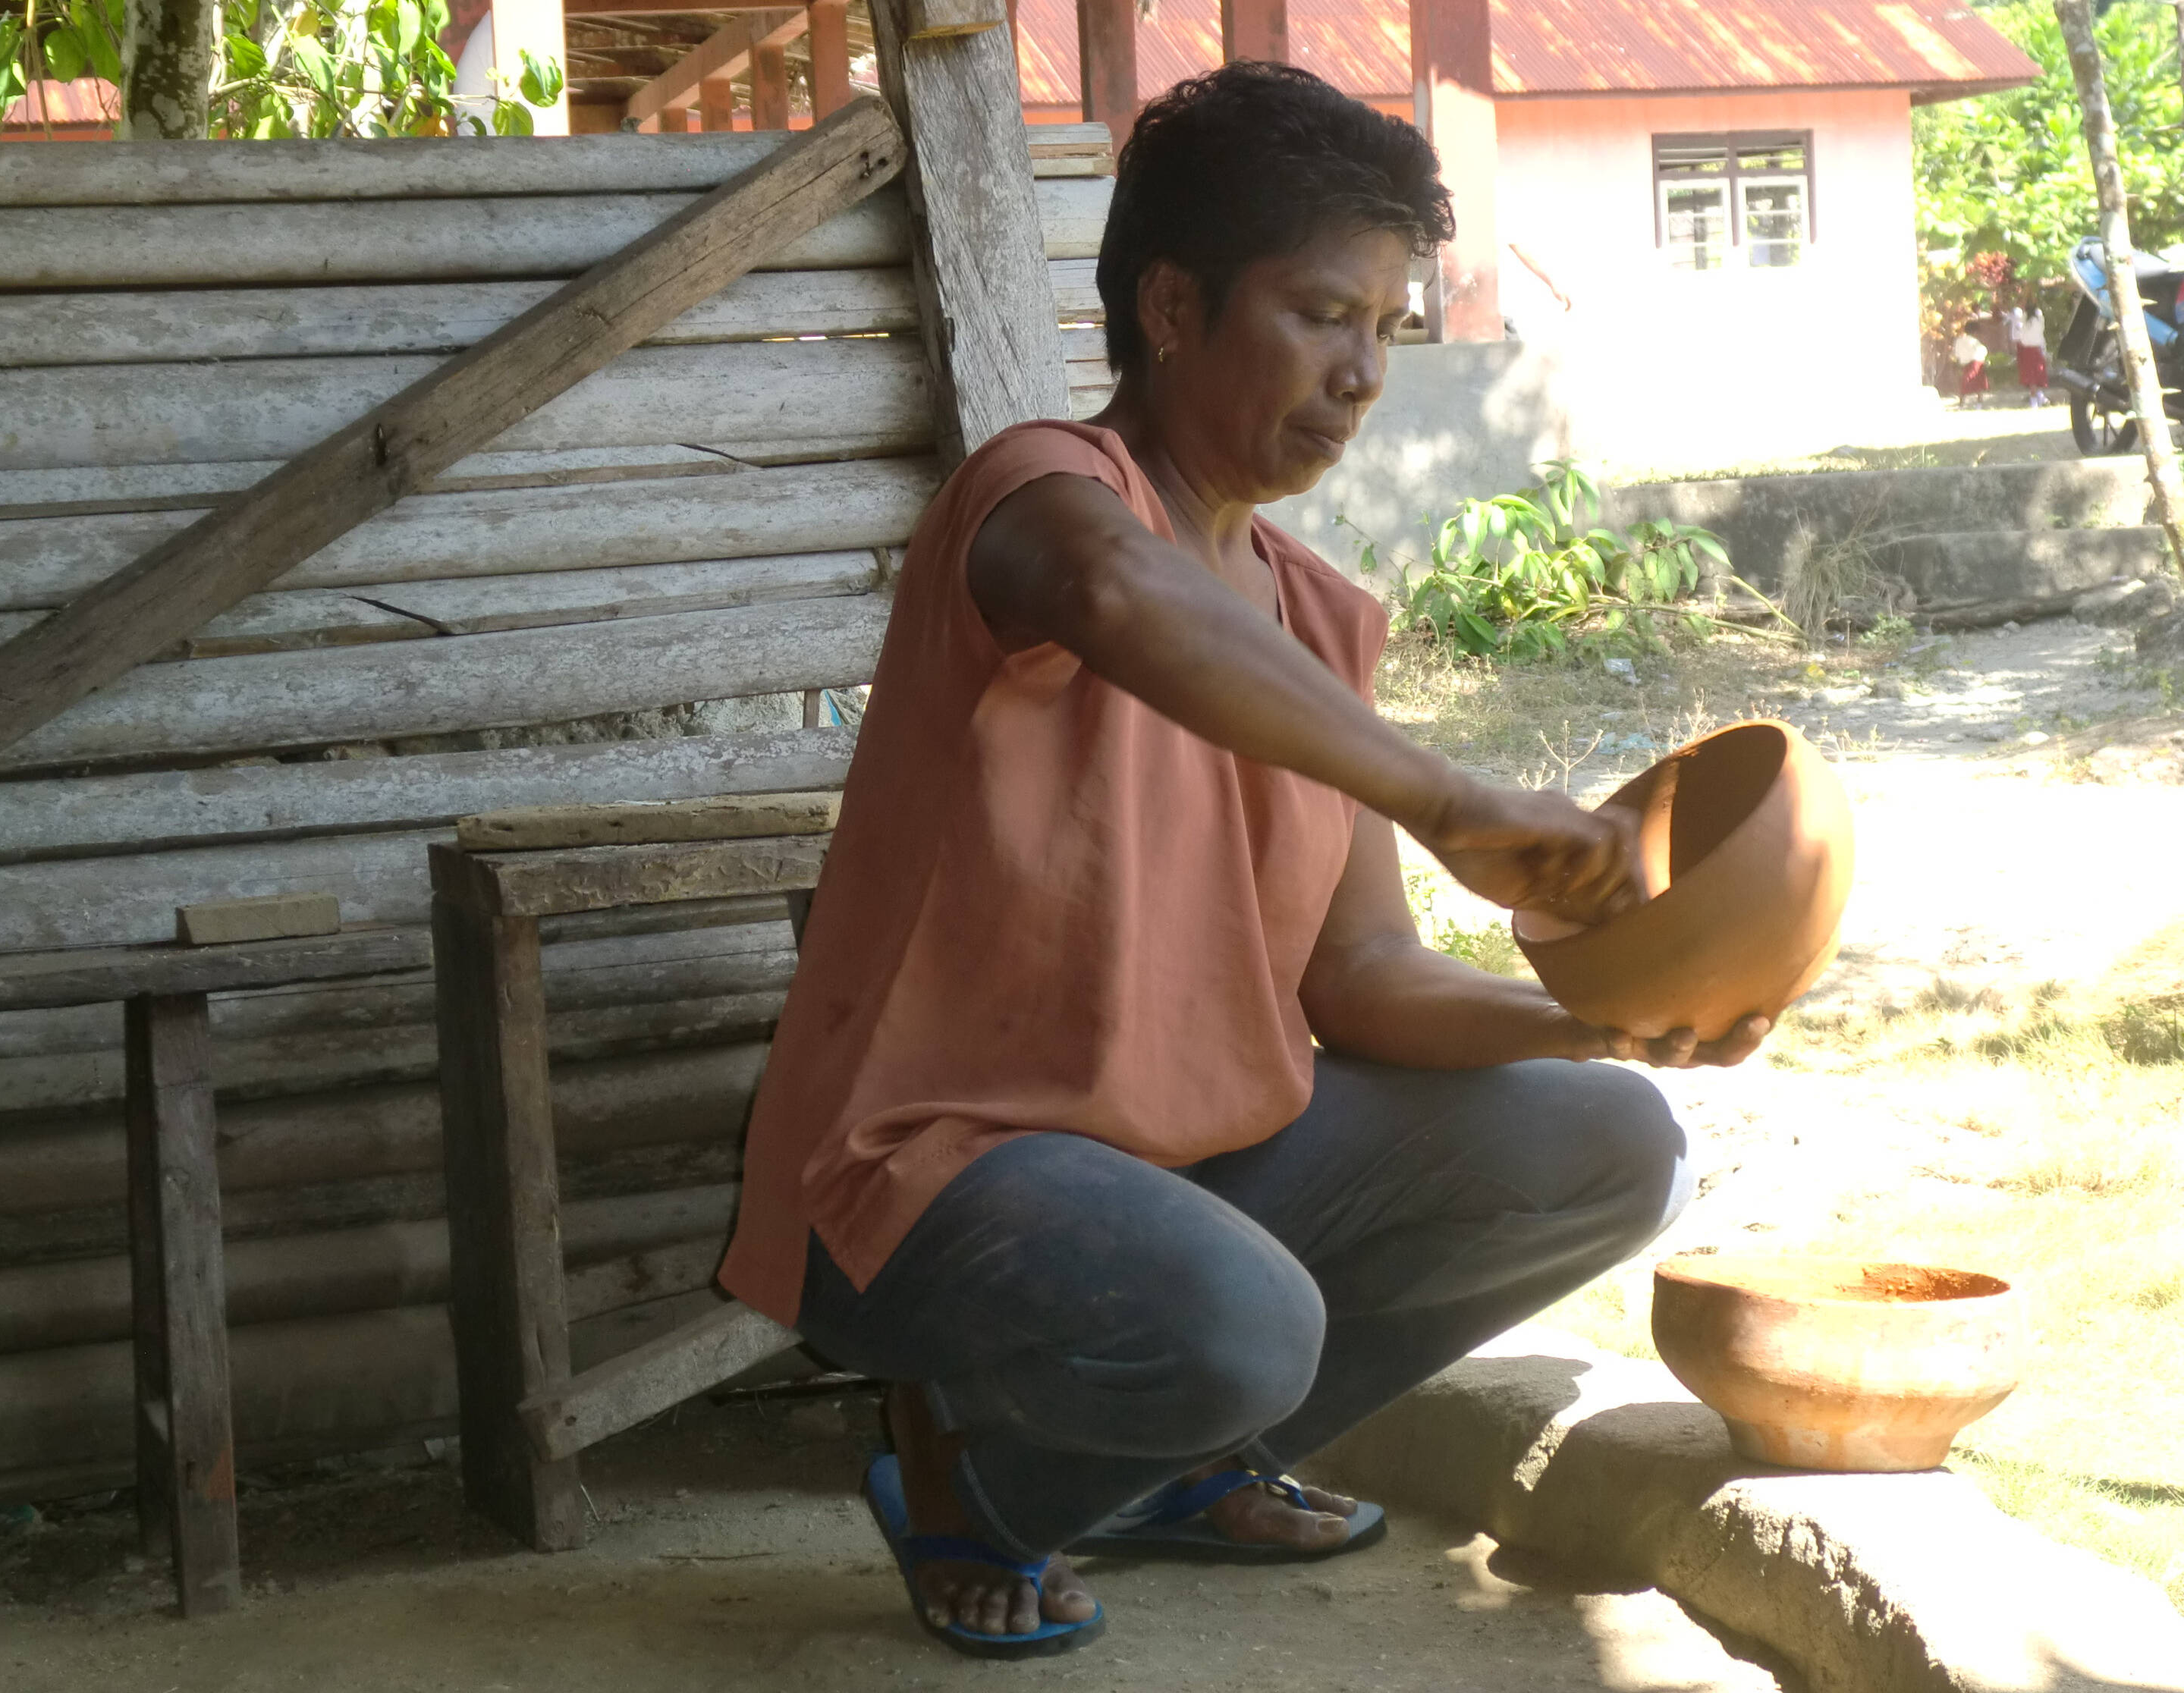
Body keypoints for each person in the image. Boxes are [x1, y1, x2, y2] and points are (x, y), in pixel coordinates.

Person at [715, 62, 1769, 1661]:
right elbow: (1125, 603)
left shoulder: (1319, 619)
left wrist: (1609, 1018)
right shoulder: (1038, 498)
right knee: (1243, 1323)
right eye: (1319, 314)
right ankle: (977, 1491)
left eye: (1388, 333)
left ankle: (1174, 1463)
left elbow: (1363, 979)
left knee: (1625, 1141)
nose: (1361, 378)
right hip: (926, 1182)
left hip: (1190, 1173)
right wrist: (1454, 799)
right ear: (1170, 307)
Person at [2010, 297, 2051, 408]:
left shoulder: (2024, 320)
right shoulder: (2038, 320)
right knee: (2038, 375)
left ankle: (2035, 401)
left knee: (2032, 378)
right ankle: (2038, 398)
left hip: (2027, 350)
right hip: (2037, 349)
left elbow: (2021, 334)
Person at [1954, 319, 1992, 407]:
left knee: (1965, 382)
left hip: (1965, 364)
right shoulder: (1975, 341)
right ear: (1976, 332)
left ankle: (1961, 403)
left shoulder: (1959, 340)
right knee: (1979, 384)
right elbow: (1983, 351)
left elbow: (1957, 353)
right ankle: (1979, 403)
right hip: (1976, 363)